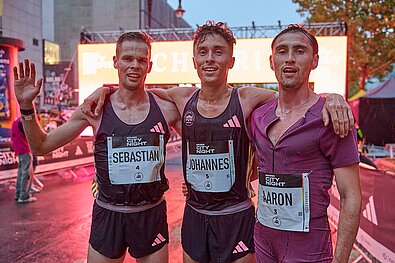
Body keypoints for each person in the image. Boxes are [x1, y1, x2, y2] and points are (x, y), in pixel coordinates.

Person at [83, 21, 354, 263]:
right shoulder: (182, 98)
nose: (210, 59)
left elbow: (295, 97)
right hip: (196, 217)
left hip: (238, 217)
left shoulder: (249, 100)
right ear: (194, 60)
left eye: (218, 52)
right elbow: (135, 91)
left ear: (231, 61)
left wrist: (332, 97)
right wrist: (106, 90)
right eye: (203, 52)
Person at [13, 32, 181, 263]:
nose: (134, 65)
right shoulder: (95, 108)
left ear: (149, 65)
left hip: (150, 215)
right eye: (127, 58)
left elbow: (204, 131)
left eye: (141, 60)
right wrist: (26, 106)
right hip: (108, 215)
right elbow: (42, 146)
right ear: (115, 61)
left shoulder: (165, 108)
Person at [250, 24, 361, 262]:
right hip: (264, 241)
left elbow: (351, 196)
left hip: (309, 247)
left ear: (314, 61)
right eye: (282, 51)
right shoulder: (258, 116)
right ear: (272, 61)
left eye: (300, 51)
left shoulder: (331, 118)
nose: (289, 58)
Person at [11, 117, 37, 203]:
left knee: (21, 172)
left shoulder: (16, 121)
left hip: (19, 149)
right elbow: (31, 135)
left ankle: (18, 193)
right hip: (25, 148)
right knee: (27, 173)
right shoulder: (23, 122)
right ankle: (24, 196)